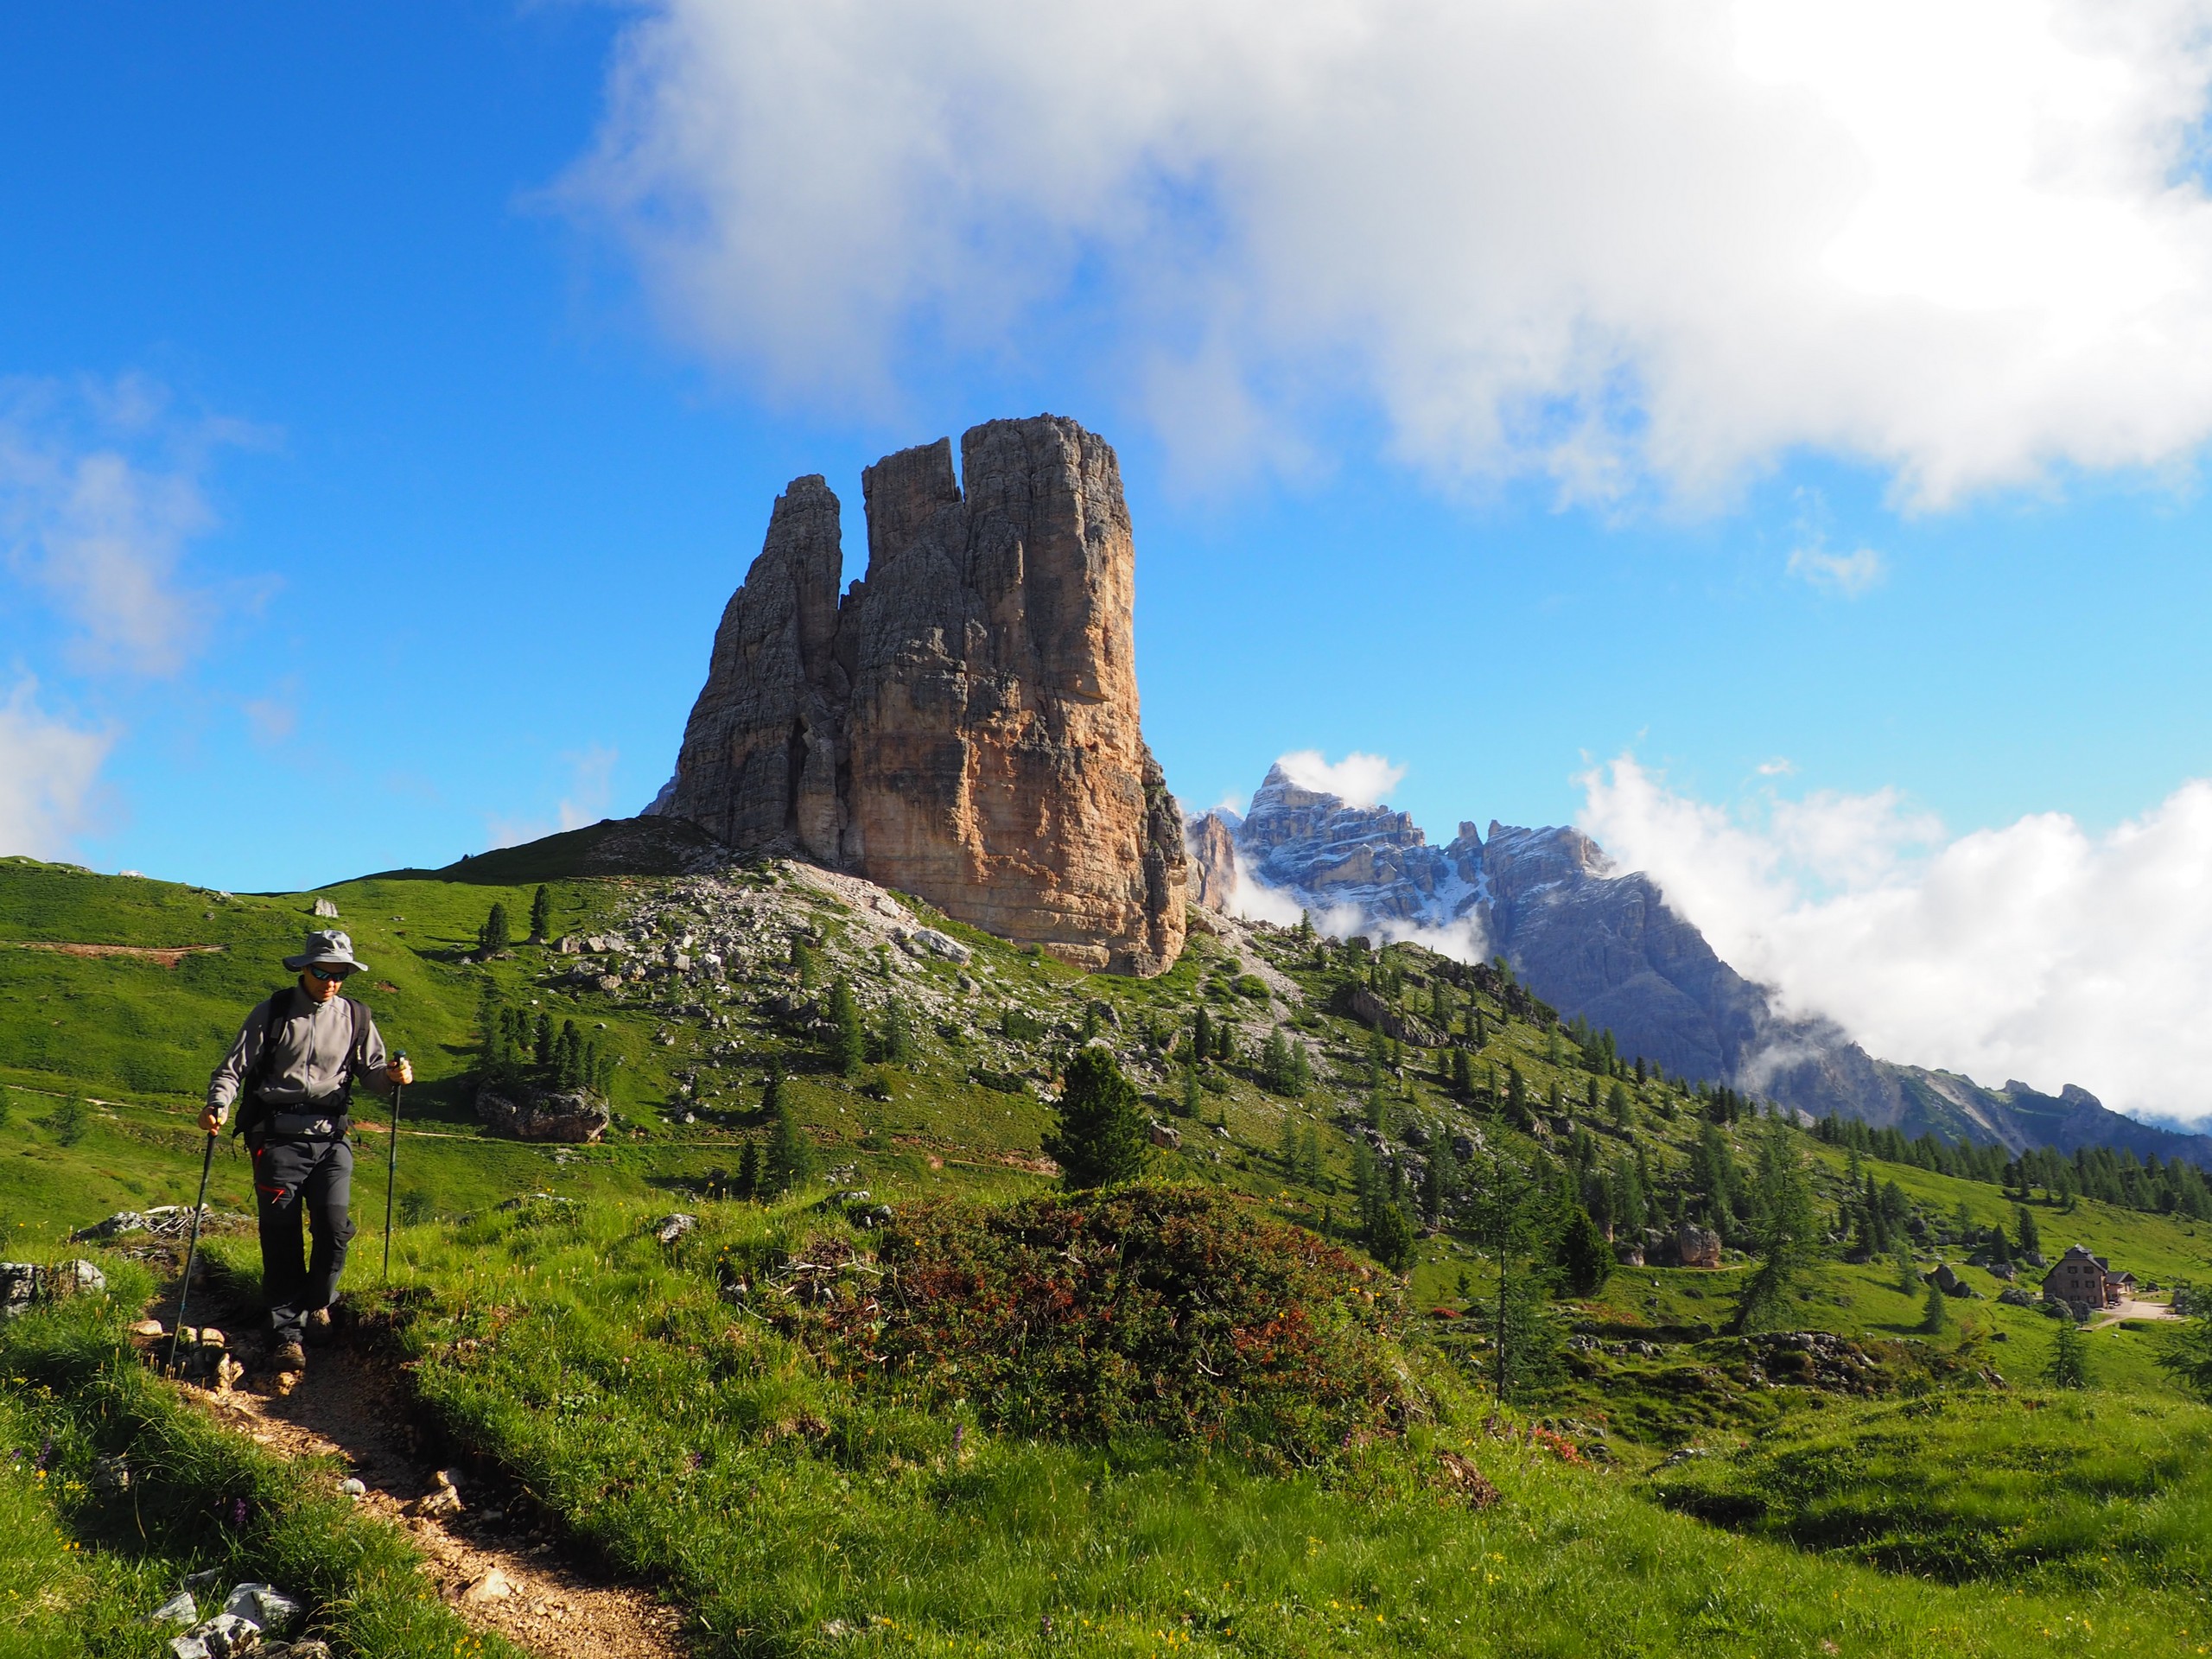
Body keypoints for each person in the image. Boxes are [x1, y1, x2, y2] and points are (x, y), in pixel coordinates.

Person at [202, 929, 412, 1374]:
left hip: (332, 1136)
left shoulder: (356, 1016)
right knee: (281, 1236)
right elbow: (232, 1068)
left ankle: (319, 1302)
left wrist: (393, 1077)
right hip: (277, 1136)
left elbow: (371, 1072)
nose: (330, 982)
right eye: (322, 972)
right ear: (304, 968)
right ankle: (286, 1334)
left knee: (334, 1226)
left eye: (340, 974)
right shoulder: (273, 1013)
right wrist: (217, 1104)